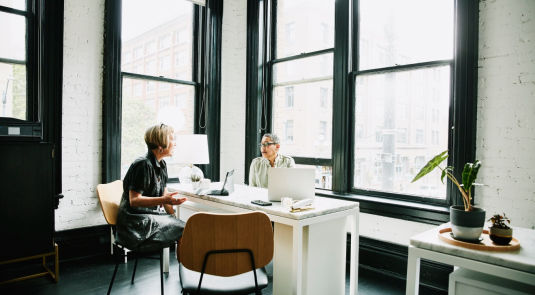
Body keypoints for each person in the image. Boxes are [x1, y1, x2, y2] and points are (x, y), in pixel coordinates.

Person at [116, 124, 188, 256]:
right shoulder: (143, 164)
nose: (175, 144)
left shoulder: (162, 164)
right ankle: (184, 272)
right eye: (172, 139)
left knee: (183, 227)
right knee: (185, 229)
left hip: (149, 217)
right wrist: (164, 199)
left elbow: (165, 196)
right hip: (134, 223)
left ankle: (184, 271)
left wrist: (172, 215)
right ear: (160, 145)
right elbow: (134, 201)